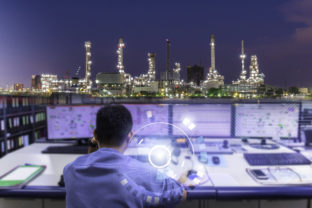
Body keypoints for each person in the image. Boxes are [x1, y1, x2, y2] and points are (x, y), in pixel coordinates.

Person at [64, 104, 187, 208]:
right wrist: (182, 178)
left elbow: (92, 165)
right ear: (130, 135)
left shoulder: (70, 170)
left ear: (95, 135)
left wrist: (92, 145)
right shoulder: (145, 172)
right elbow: (181, 194)